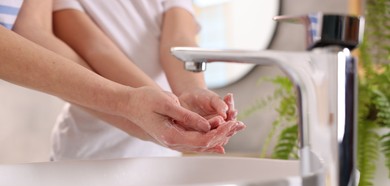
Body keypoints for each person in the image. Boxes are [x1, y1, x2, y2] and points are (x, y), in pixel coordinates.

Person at [0, 0, 244, 157]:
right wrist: (169, 109)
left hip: (157, 146)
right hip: (93, 149)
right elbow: (97, 49)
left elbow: (179, 40)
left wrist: (192, 90)